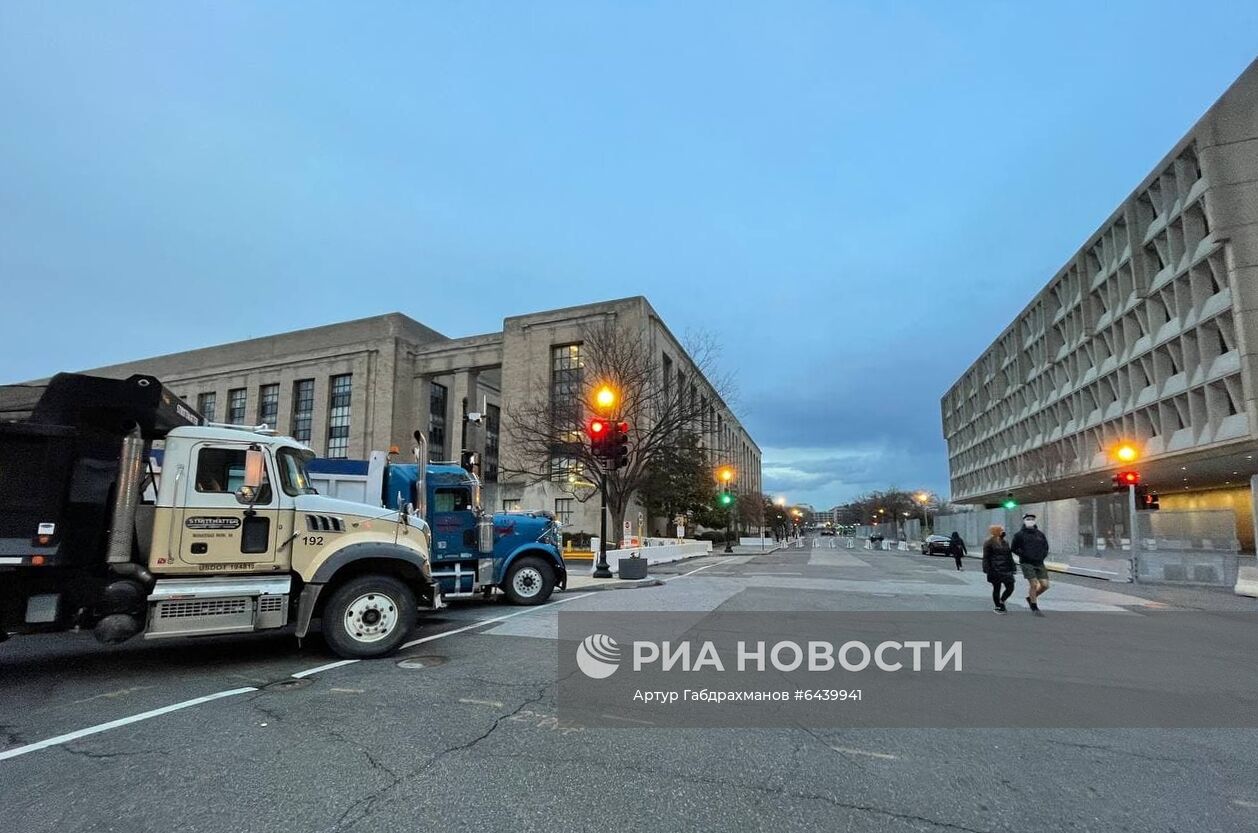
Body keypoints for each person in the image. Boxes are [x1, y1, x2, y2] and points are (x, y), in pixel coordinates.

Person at [1010, 512, 1050, 614]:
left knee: (1045, 585)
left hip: (1039, 562)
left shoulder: (1040, 534)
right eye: (1028, 519)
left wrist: (1043, 555)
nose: (1030, 520)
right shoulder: (1019, 535)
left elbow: (1046, 547)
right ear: (1024, 521)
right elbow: (1013, 548)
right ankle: (1034, 606)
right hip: (1026, 562)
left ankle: (1031, 598)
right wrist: (1023, 554)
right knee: (1033, 583)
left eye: (1032, 519)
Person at [982, 524, 1016, 613]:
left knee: (1010, 587)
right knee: (997, 588)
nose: (1003, 531)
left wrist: (1013, 567)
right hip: (994, 569)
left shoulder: (1005, 542)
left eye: (1002, 529)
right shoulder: (989, 542)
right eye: (1000, 530)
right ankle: (998, 606)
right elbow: (986, 557)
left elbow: (1009, 555)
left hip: (1006, 568)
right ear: (995, 531)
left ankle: (1002, 601)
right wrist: (987, 569)